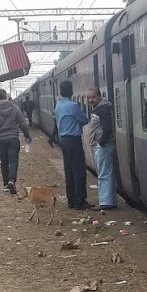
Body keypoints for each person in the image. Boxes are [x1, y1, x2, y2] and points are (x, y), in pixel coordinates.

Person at [0, 89, 31, 195]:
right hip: (13, 138)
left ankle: (6, 184)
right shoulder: (14, 108)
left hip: (1, 140)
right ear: (5, 96)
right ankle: (12, 180)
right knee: (13, 161)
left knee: (4, 162)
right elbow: (22, 123)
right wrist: (27, 136)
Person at [54, 81, 90, 210]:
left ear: (60, 91)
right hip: (73, 140)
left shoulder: (58, 106)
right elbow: (84, 119)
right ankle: (80, 202)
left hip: (63, 140)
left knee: (69, 172)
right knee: (79, 171)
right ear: (71, 91)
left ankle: (71, 201)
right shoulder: (72, 106)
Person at [87, 87, 117, 211]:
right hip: (103, 145)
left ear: (99, 96)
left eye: (93, 97)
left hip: (104, 146)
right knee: (107, 173)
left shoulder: (103, 109)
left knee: (103, 174)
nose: (91, 100)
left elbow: (107, 128)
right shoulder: (101, 108)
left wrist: (101, 142)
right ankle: (110, 200)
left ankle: (105, 202)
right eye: (89, 98)